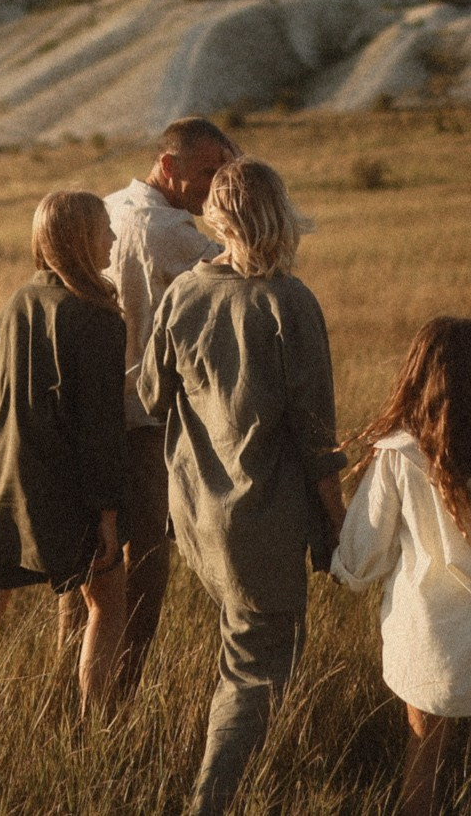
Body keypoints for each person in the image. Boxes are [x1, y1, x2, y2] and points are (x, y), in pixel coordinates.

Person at [138, 157, 346, 815]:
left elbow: (150, 393)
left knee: (245, 648)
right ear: (278, 214)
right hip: (262, 516)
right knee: (257, 669)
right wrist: (338, 520)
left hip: (197, 515)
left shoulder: (182, 294)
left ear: (218, 217)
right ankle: (213, 800)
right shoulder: (290, 301)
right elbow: (317, 434)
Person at [0, 190, 130, 740]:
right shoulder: (97, 318)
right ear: (79, 239)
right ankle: (95, 733)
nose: (112, 238)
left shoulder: (15, 302)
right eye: (104, 228)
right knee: (108, 604)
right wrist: (107, 515)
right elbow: (100, 429)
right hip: (58, 485)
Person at [332, 317, 471, 816]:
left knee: (424, 750)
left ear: (416, 372)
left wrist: (345, 566)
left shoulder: (397, 450)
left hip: (426, 623)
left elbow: (365, 550)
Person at [61, 117, 238, 692]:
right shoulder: (167, 230)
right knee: (144, 561)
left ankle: (69, 689)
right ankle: (118, 695)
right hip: (144, 417)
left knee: (88, 560)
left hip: (88, 410)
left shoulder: (107, 208)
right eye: (208, 172)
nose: (214, 187)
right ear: (169, 166)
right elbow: (248, 271)